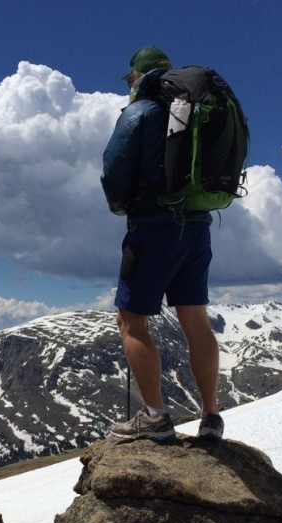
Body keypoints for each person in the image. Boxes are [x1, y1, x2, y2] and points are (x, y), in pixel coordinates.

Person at [101, 46, 224, 442]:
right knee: (195, 319)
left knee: (131, 320)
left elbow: (114, 169)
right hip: (198, 225)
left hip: (154, 227)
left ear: (138, 76)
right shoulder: (196, 109)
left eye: (130, 79)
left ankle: (154, 417)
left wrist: (121, 205)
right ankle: (211, 416)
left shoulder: (140, 113)